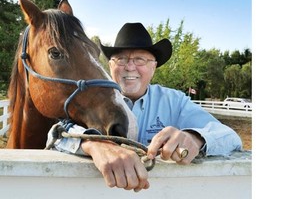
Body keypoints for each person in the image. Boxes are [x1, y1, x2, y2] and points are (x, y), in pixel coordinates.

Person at [48, 22, 242, 192]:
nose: (130, 67)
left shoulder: (175, 101)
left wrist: (195, 138)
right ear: (110, 66)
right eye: (121, 59)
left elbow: (230, 137)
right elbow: (56, 133)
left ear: (154, 67)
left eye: (140, 59)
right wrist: (91, 145)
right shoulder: (90, 97)